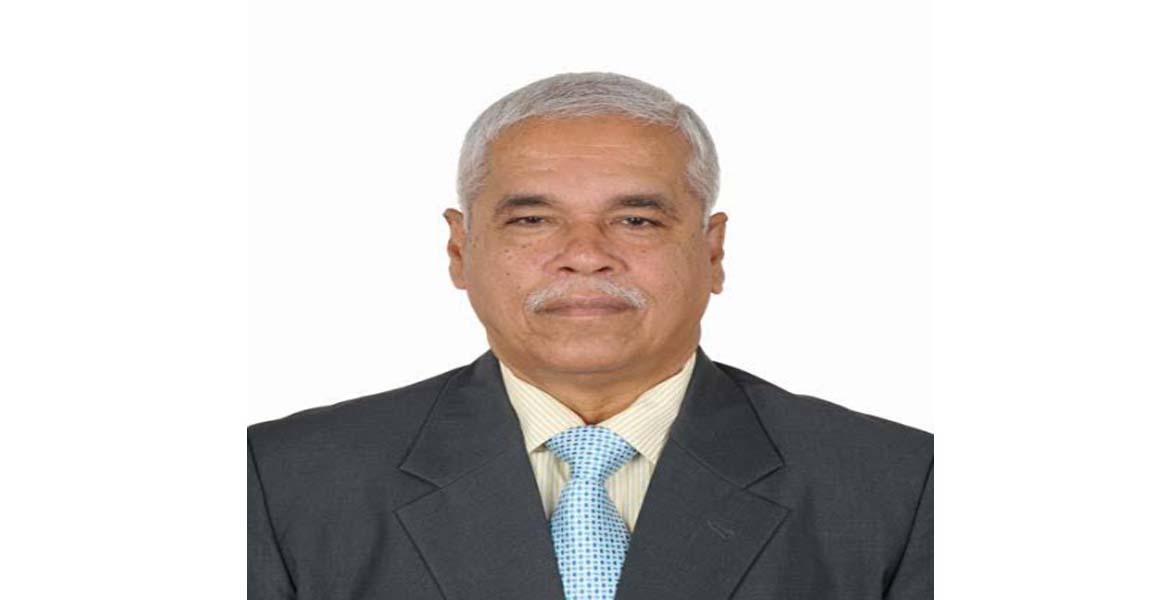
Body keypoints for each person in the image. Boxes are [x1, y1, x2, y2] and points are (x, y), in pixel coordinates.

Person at [248, 72, 933, 600]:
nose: (584, 255)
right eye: (532, 220)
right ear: (460, 250)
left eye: (636, 220)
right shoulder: (282, 481)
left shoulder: (900, 486)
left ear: (712, 250)